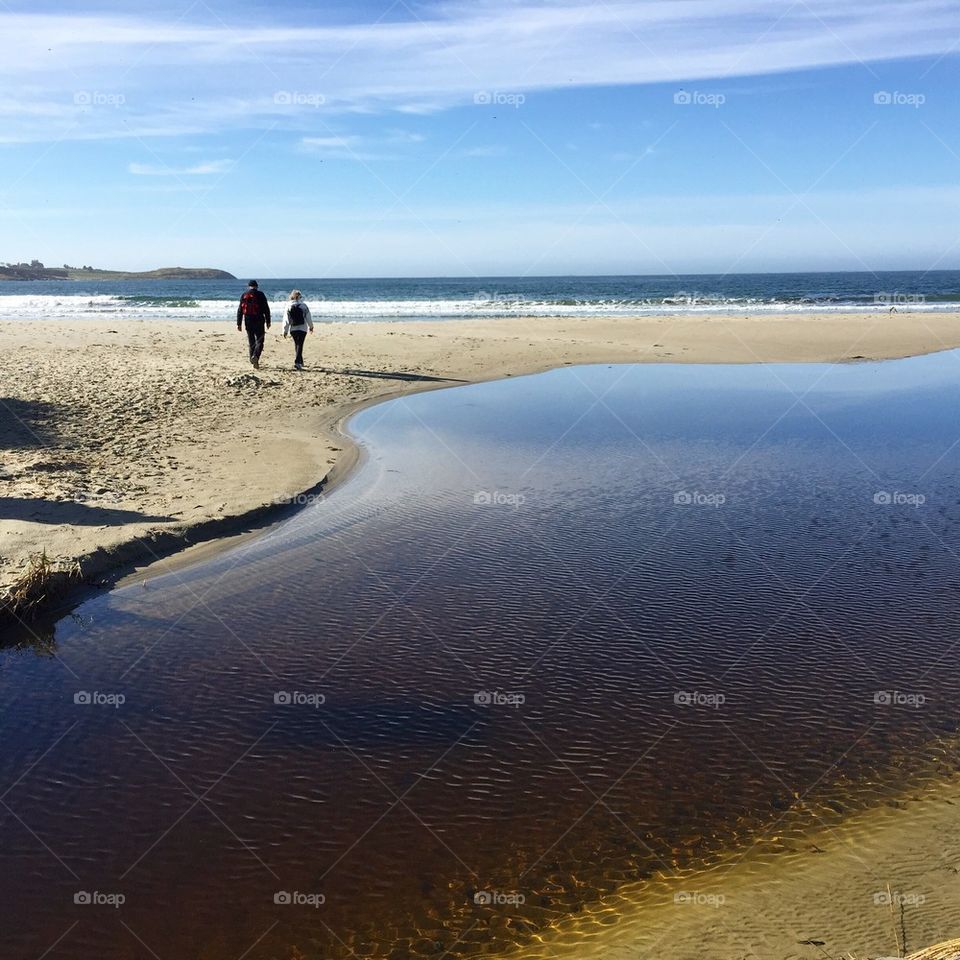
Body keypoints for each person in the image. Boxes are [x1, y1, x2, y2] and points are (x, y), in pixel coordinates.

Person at [236, 280, 271, 369]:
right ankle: (255, 356)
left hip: (248, 320)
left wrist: (239, 323)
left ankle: (252, 360)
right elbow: (266, 308)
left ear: (249, 286)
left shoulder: (244, 295)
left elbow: (240, 310)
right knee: (260, 340)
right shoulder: (260, 294)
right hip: (259, 320)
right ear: (257, 286)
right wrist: (268, 321)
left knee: (251, 341)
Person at [282, 289, 314, 370]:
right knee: (300, 345)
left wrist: (285, 331)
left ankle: (300, 361)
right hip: (303, 328)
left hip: (293, 329)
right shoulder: (304, 305)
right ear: (300, 297)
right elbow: (308, 317)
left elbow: (286, 319)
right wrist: (311, 326)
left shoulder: (288, 305)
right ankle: (298, 362)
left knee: (297, 344)